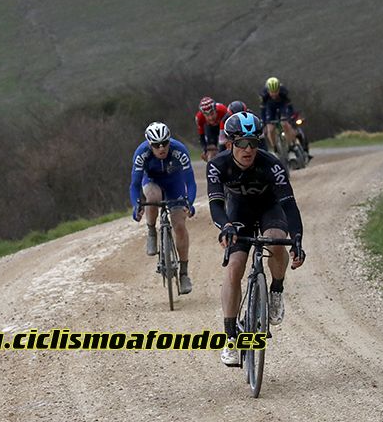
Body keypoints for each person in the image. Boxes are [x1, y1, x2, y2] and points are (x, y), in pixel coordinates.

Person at [207, 111, 305, 367]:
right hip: (238, 212)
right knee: (234, 267)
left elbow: (289, 205)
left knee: (276, 240)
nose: (248, 149)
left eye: (253, 142)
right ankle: (230, 337)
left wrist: (297, 238)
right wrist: (226, 226)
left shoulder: (272, 164)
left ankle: (276, 290)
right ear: (230, 143)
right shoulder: (218, 165)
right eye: (241, 143)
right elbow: (216, 204)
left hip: (269, 208)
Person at [129, 122, 197, 294]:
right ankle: (151, 230)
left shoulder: (179, 150)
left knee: (179, 226)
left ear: (169, 140)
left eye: (165, 143)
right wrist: (136, 204)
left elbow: (190, 181)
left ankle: (184, 273)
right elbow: (134, 185)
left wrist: (190, 202)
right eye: (156, 145)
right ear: (149, 144)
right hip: (152, 181)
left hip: (175, 183)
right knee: (153, 198)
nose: (161, 148)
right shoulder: (141, 153)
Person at [261, 77, 298, 154]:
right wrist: (264, 123)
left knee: (285, 124)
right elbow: (263, 110)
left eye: (276, 91)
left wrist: (290, 117)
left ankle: (290, 145)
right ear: (268, 90)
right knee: (270, 129)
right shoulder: (264, 95)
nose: (274, 94)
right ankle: (274, 146)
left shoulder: (284, 92)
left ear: (279, 89)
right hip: (270, 107)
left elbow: (289, 106)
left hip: (282, 105)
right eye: (272, 92)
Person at [195, 96, 229, 161]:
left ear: (216, 110)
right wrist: (205, 150)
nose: (210, 118)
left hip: (224, 127)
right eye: (207, 115)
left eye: (212, 113)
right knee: (211, 149)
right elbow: (201, 136)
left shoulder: (223, 110)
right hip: (211, 129)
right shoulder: (199, 118)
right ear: (203, 114)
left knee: (226, 146)